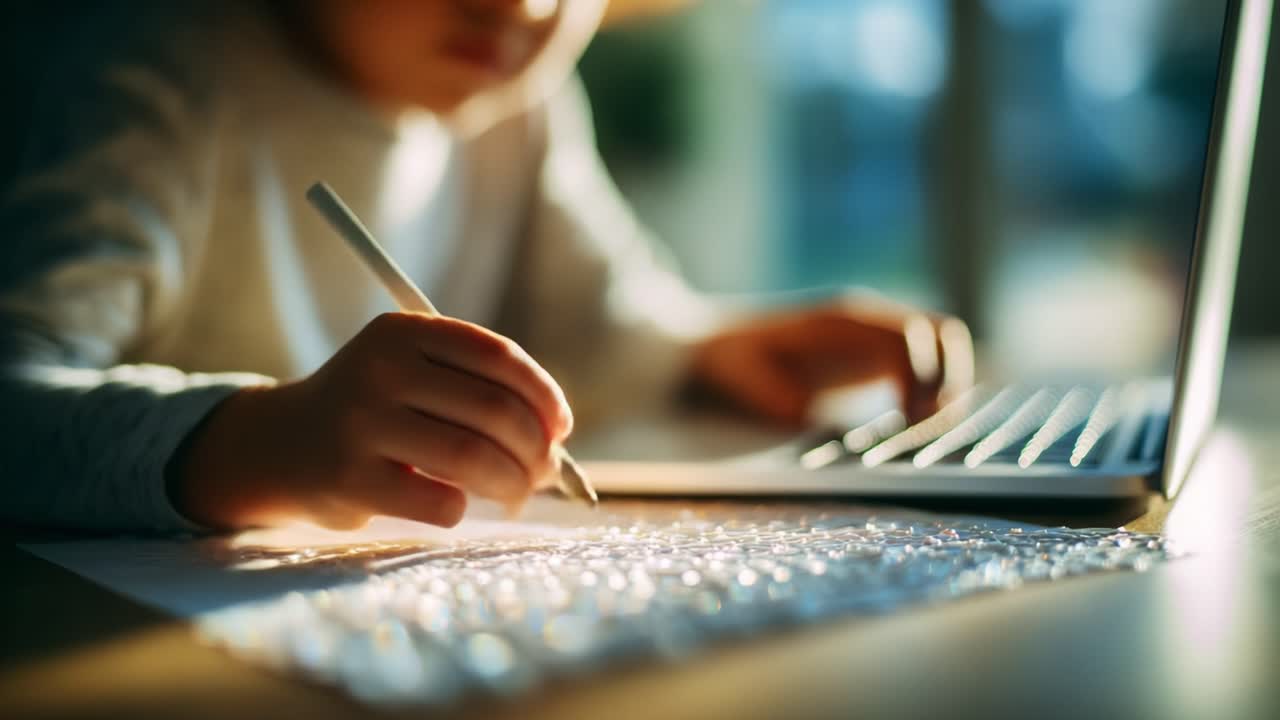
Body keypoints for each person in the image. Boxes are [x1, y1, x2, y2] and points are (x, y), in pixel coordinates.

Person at [0, 0, 971, 534]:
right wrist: (256, 442)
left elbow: (599, 323)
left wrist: (711, 352)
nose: (522, 6)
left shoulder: (515, 98)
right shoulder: (154, 69)